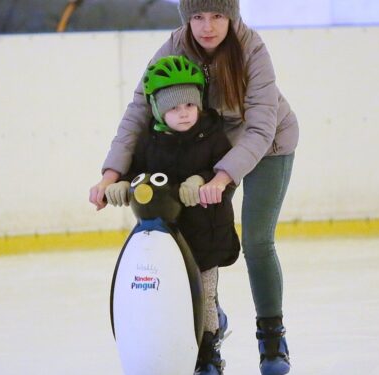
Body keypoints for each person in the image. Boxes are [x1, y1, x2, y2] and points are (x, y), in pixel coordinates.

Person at [89, 1, 298, 374]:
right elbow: (140, 110)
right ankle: (209, 321)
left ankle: (271, 339)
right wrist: (111, 173)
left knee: (256, 241)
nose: (207, 26)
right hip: (211, 148)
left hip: (269, 147)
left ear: (231, 15)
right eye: (198, 16)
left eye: (218, 15)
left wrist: (222, 177)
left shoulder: (252, 49)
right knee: (191, 236)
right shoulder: (175, 45)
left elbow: (261, 126)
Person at [103, 55, 240, 375]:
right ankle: (167, 344)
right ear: (157, 110)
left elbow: (224, 170)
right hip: (167, 237)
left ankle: (208, 353)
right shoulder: (151, 141)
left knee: (203, 296)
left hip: (206, 233)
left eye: (189, 106)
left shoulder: (213, 135)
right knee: (167, 296)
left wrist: (203, 180)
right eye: (174, 107)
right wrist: (123, 185)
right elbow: (139, 172)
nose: (183, 113)